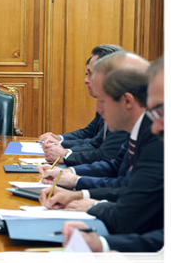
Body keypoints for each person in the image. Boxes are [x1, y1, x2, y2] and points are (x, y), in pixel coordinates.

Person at [39, 52, 167, 235]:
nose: (98, 109)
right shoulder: (146, 129)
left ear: (127, 100)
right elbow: (128, 186)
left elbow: (130, 215)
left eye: (162, 111)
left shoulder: (156, 138)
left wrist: (92, 207)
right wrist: (80, 191)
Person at [39, 45, 128, 166]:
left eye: (90, 74)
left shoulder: (124, 110)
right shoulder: (109, 102)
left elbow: (105, 155)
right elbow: (94, 141)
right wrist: (60, 144)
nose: (86, 80)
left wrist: (65, 156)